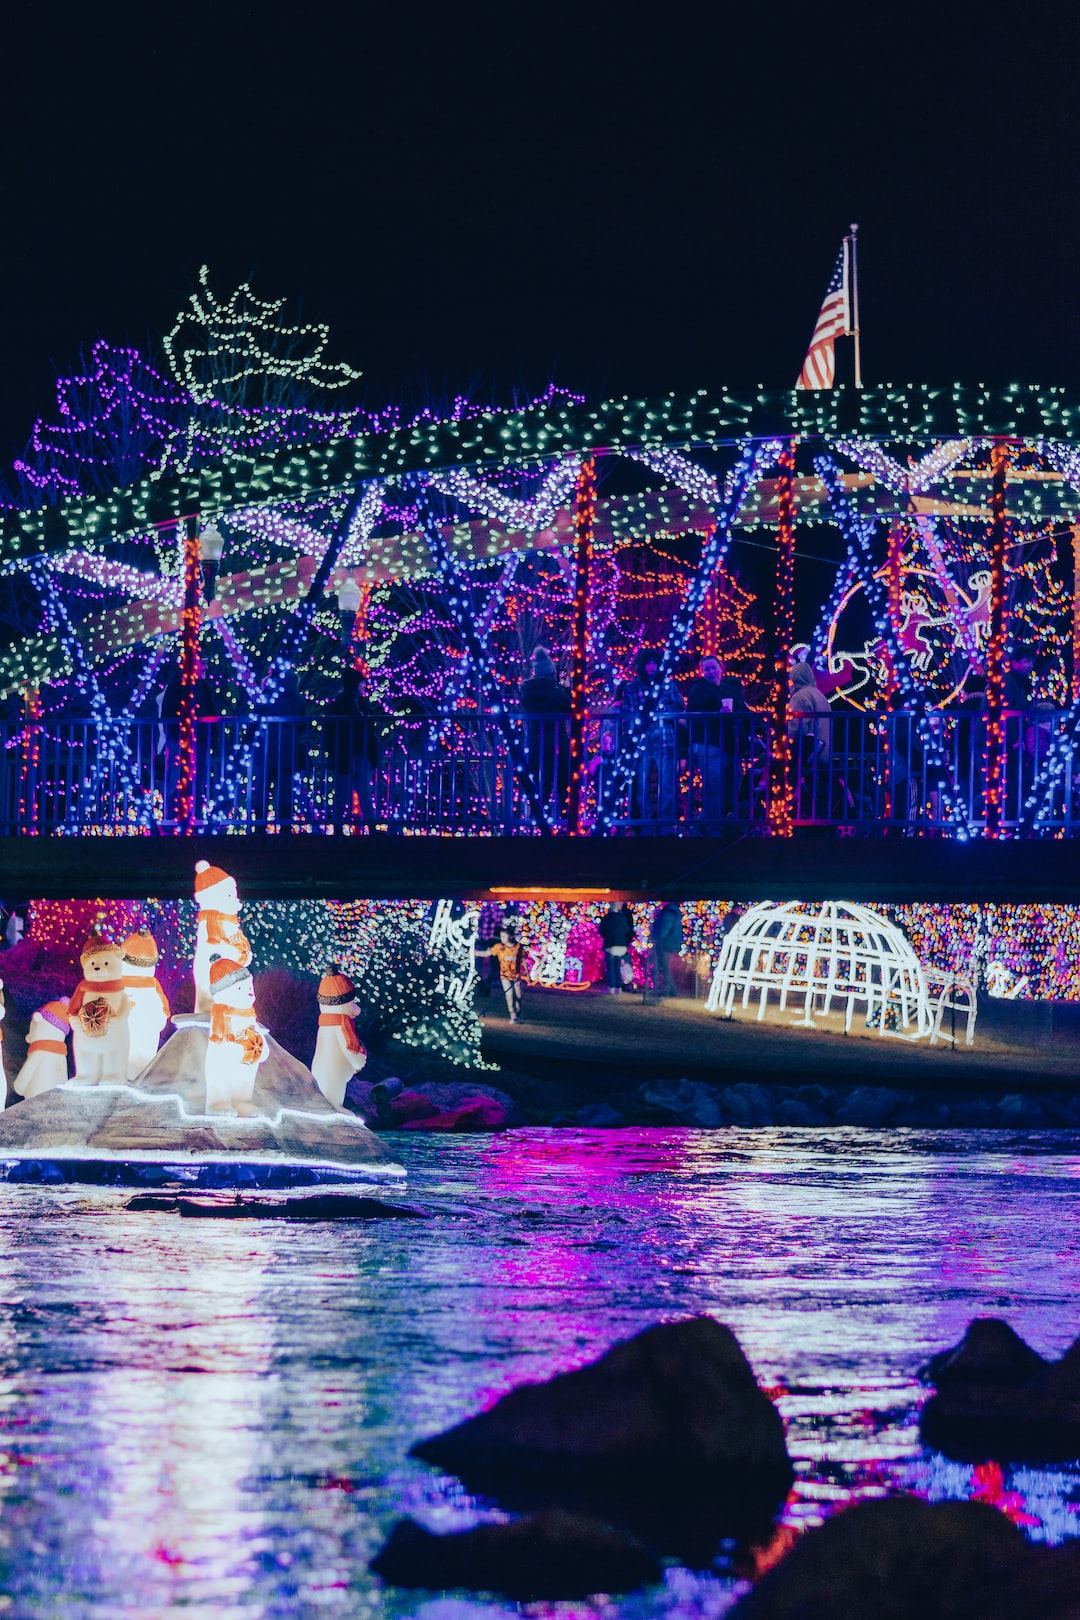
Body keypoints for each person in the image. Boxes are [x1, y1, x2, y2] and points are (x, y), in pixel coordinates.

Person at [618, 650, 684, 826]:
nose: (652, 667)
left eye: (655, 663)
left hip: (665, 740)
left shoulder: (668, 685)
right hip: (642, 742)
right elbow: (627, 717)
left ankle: (666, 825)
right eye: (649, 663)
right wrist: (628, 742)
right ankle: (646, 825)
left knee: (667, 786)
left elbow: (678, 707)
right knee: (642, 786)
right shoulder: (632, 688)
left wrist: (661, 712)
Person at [684, 655, 748, 825]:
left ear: (721, 668)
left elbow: (744, 710)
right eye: (707, 669)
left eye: (713, 667)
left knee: (732, 786)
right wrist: (716, 716)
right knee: (714, 788)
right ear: (702, 672)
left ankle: (721, 824)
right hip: (710, 745)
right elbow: (692, 716)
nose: (711, 672)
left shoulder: (728, 689)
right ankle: (709, 828)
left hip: (730, 745)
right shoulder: (699, 690)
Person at [326, 666, 380, 830]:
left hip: (359, 752)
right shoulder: (344, 705)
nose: (364, 687)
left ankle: (368, 826)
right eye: (361, 684)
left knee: (361, 790)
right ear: (354, 685)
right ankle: (339, 826)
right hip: (347, 753)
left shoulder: (359, 704)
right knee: (345, 790)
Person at [519, 648, 571, 809]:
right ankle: (564, 813)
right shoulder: (554, 692)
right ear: (550, 672)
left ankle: (540, 818)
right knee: (564, 779)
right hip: (556, 742)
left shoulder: (527, 691)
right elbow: (569, 707)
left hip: (535, 742)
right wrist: (565, 686)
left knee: (540, 785)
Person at [787, 662, 832, 817]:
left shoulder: (800, 697)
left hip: (808, 752)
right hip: (822, 751)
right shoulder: (819, 695)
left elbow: (796, 727)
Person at [477, 924, 525, 1022]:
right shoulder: (499, 947)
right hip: (504, 975)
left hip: (516, 976)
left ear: (510, 936)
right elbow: (487, 953)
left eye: (504, 936)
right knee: (509, 995)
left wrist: (526, 974)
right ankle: (513, 1015)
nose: (502, 938)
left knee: (519, 996)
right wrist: (475, 952)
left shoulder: (518, 947)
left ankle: (519, 1011)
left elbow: (523, 960)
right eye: (501, 936)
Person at [598, 900, 634, 994]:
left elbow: (601, 931)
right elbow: (627, 930)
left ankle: (611, 987)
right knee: (618, 968)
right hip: (621, 946)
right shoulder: (622, 918)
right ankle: (619, 988)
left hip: (610, 945)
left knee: (611, 968)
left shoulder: (607, 918)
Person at [649, 901, 684, 998]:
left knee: (664, 967)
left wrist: (657, 938)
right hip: (670, 943)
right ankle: (672, 990)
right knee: (665, 966)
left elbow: (664, 929)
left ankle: (667, 989)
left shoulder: (668, 913)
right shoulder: (673, 913)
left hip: (666, 943)